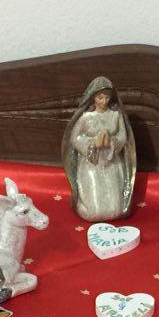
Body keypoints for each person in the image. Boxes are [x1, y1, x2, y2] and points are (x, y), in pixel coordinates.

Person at [62, 76, 136, 221]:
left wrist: (112, 142)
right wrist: (92, 143)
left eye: (107, 98)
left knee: (114, 209)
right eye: (100, 98)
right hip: (91, 164)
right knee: (93, 211)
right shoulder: (86, 117)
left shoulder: (116, 116)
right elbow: (75, 138)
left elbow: (123, 136)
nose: (104, 101)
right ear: (93, 98)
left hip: (111, 163)